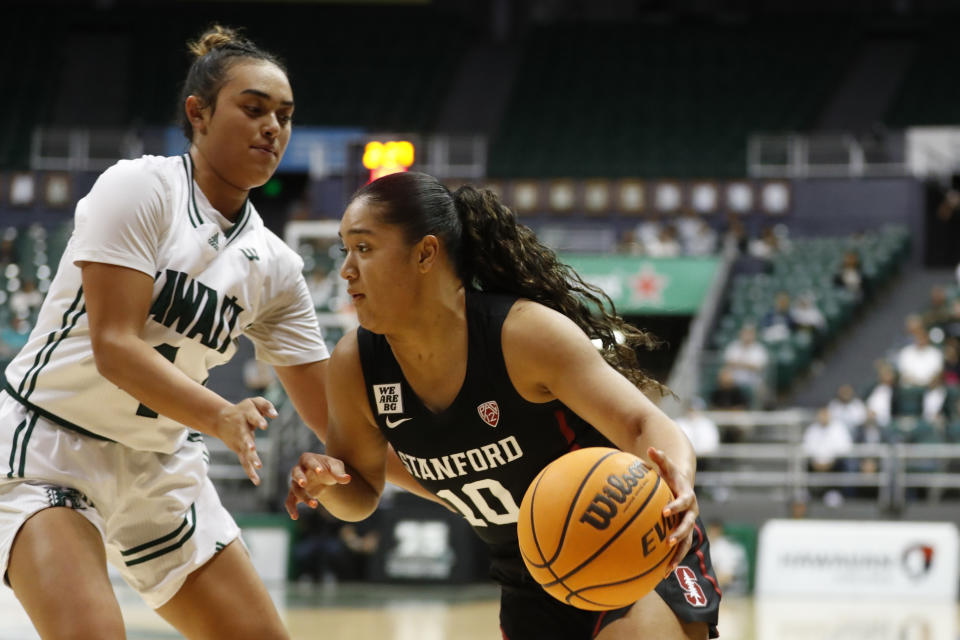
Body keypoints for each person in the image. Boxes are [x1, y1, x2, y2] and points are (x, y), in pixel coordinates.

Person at [0, 26, 335, 639]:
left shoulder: (278, 267)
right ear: (198, 113)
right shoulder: (141, 187)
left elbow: (333, 416)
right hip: (51, 448)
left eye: (284, 117)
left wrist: (337, 466)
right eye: (254, 109)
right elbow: (116, 348)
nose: (273, 129)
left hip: (159, 466)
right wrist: (222, 416)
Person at [286, 172, 720, 639]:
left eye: (364, 249)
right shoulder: (357, 364)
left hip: (628, 543)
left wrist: (677, 482)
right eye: (343, 251)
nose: (346, 269)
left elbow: (643, 422)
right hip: (531, 575)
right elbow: (361, 496)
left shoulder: (523, 335)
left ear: (426, 253)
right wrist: (327, 484)